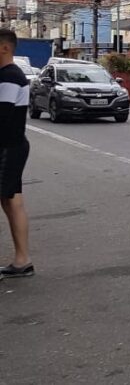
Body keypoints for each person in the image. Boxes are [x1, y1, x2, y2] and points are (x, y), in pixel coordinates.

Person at [0, 27, 33, 278]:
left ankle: (23, 260)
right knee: (12, 201)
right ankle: (22, 260)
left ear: (4, 48)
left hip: (7, 147)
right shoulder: (7, 75)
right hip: (12, 146)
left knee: (11, 201)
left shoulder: (9, 76)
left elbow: (2, 116)